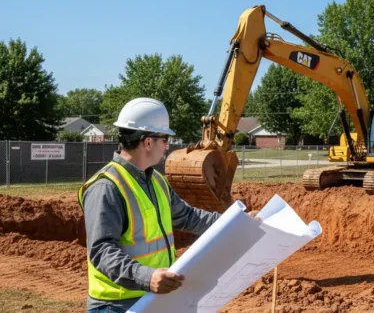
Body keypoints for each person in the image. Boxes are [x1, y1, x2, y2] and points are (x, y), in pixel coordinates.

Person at [79, 97, 257, 313]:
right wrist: (146, 276)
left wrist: (236, 222)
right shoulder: (107, 187)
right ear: (147, 142)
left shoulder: (156, 181)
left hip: (154, 299)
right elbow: (102, 250)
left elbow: (189, 216)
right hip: (116, 305)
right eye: (165, 139)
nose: (167, 146)